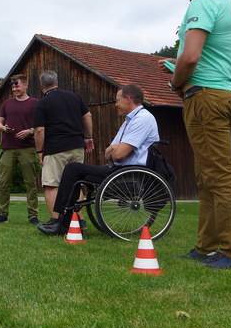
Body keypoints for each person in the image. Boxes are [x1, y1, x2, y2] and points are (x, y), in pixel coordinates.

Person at [160, 0, 231, 269]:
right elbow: (212, 56)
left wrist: (175, 80)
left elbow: (191, 57)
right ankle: (206, 246)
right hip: (226, 94)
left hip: (205, 98)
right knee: (207, 174)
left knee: (220, 175)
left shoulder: (202, 3)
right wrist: (177, 65)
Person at [38, 84, 159, 235]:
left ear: (128, 99)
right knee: (74, 171)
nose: (115, 104)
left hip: (128, 173)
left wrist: (115, 150)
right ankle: (63, 220)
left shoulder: (143, 119)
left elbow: (118, 153)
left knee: (73, 169)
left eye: (117, 100)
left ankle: (61, 222)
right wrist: (114, 150)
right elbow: (108, 151)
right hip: (117, 169)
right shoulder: (129, 121)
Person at [33, 70, 93, 223]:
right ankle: (78, 218)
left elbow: (39, 130)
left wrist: (40, 151)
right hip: (77, 146)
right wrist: (88, 137)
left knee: (51, 184)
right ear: (56, 82)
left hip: (56, 148)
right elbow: (87, 116)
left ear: (42, 86)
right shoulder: (74, 97)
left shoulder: (43, 103)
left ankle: (56, 219)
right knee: (76, 183)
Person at [0, 74, 40, 225]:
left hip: (27, 148)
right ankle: (2, 215)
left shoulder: (35, 103)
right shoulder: (7, 104)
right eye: (13, 86)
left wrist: (30, 131)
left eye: (17, 85)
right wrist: (2, 127)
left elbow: (41, 126)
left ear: (26, 85)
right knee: (4, 182)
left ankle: (33, 216)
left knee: (30, 183)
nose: (15, 88)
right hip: (7, 148)